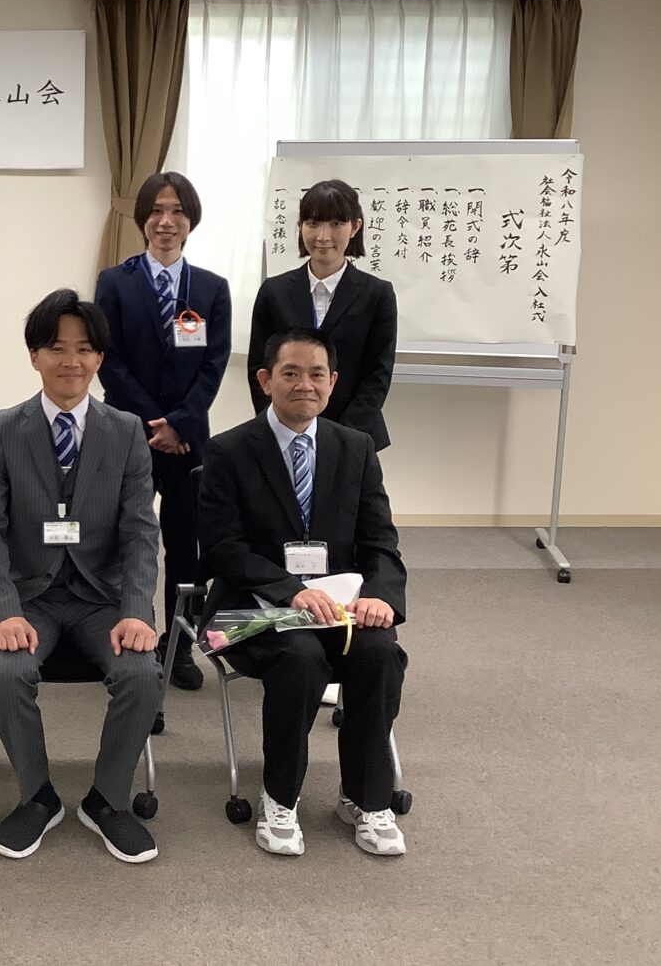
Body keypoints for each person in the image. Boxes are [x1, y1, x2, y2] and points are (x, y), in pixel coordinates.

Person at [0, 289, 164, 864]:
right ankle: (37, 796)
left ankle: (108, 799)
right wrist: (3, 611)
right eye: (56, 348)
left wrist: (137, 611)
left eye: (83, 349)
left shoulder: (126, 430)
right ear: (34, 356)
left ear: (99, 358)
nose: (70, 361)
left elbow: (140, 533)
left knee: (142, 673)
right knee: (8, 672)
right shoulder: (2, 428)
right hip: (29, 597)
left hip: (104, 600)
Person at [198, 327, 409, 858]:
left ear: (333, 382)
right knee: (299, 657)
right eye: (290, 373)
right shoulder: (229, 450)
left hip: (339, 610)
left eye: (317, 374)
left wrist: (380, 595)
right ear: (265, 380)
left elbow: (380, 540)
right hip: (254, 611)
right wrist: (288, 590)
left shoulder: (356, 448)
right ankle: (280, 797)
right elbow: (223, 548)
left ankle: (365, 798)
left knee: (381, 654)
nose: (304, 385)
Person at [95, 171, 230, 692]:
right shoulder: (115, 282)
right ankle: (128, 637)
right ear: (142, 219)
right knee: (125, 537)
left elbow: (213, 366)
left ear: (191, 220)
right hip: (128, 433)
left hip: (188, 438)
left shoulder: (212, 288)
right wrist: (155, 422)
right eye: (156, 210)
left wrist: (179, 423)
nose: (166, 221)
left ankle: (179, 646)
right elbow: (108, 361)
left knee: (184, 543)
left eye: (177, 211)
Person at [248, 178, 397, 451]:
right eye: (313, 223)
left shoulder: (377, 294)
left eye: (336, 224)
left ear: (355, 227)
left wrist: (340, 438)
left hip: (353, 438)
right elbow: (259, 368)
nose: (323, 236)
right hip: (283, 435)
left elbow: (377, 375)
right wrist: (281, 427)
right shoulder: (274, 292)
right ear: (300, 225)